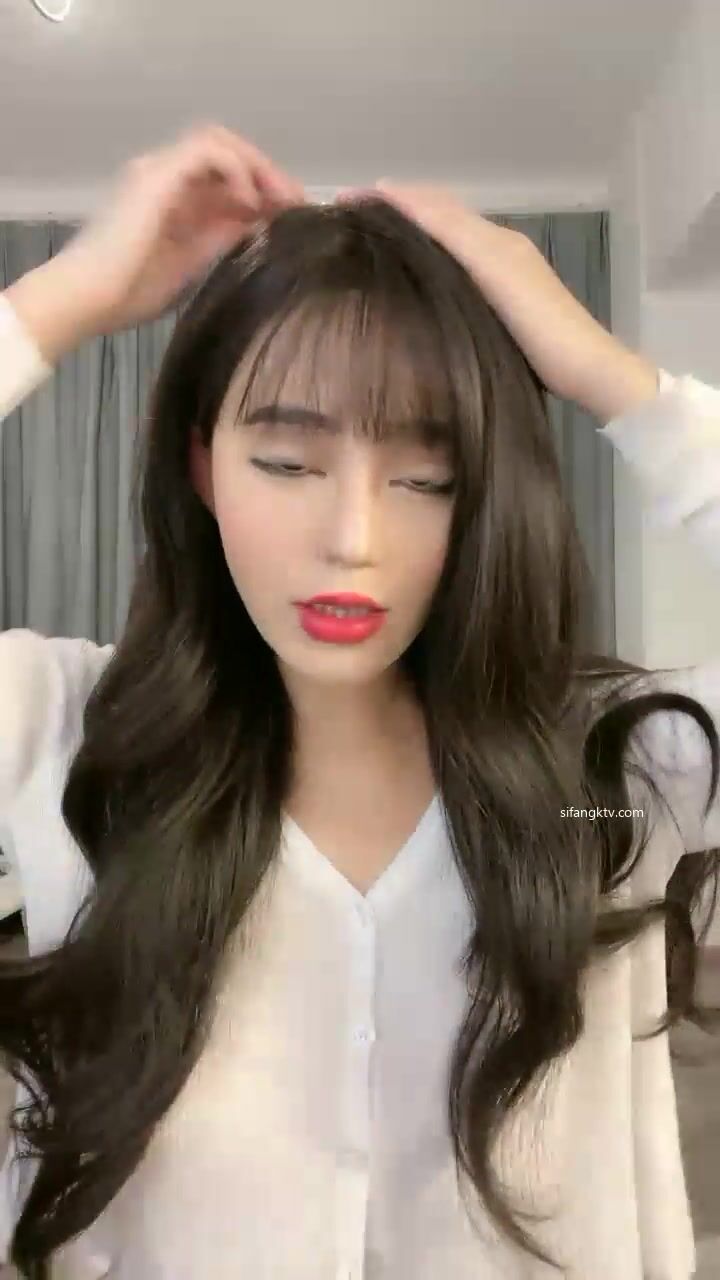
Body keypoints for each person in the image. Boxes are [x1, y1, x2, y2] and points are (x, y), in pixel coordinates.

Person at [0, 123, 718, 1280]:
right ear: (202, 465)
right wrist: (57, 303)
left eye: (426, 477)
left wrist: (609, 375)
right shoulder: (59, 732)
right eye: (287, 463)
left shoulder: (616, 770)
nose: (353, 538)